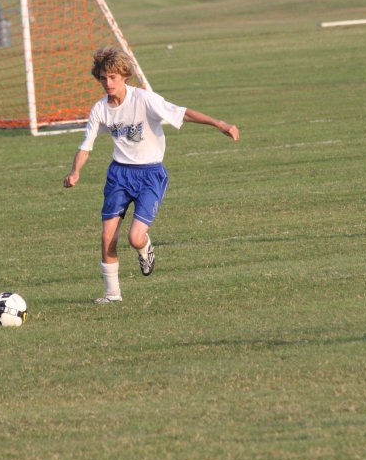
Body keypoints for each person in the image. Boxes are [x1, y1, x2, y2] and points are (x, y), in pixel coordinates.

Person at [63, 47, 240, 304]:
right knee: (106, 236)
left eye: (113, 77)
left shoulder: (144, 99)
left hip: (150, 174)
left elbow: (183, 113)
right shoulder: (100, 109)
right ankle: (112, 294)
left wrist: (220, 124)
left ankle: (145, 249)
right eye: (103, 78)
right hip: (119, 176)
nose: (107, 83)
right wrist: (75, 172)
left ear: (125, 76)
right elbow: (85, 146)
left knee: (135, 237)